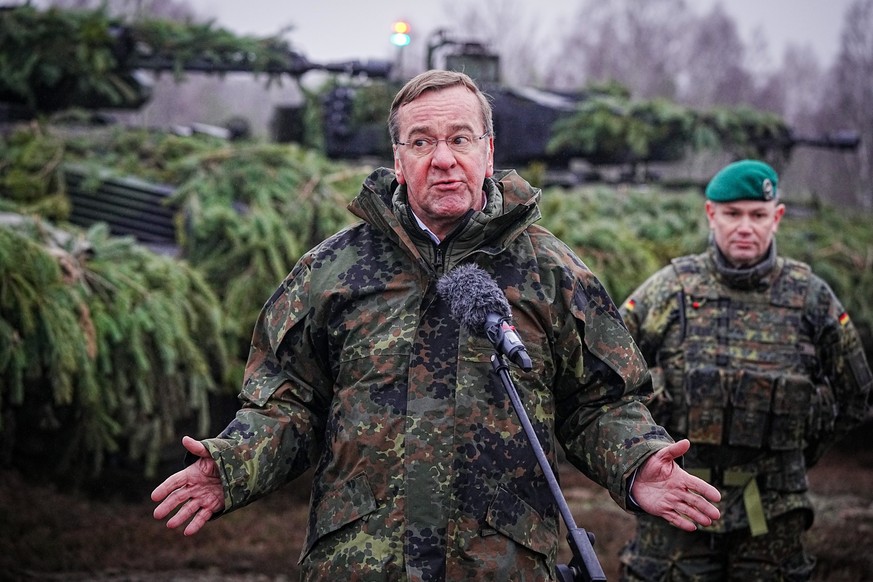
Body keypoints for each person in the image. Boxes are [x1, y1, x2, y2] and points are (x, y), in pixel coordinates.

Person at [152, 70, 721, 581]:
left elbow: (602, 402)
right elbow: (287, 403)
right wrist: (233, 463)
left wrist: (637, 459)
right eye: (421, 142)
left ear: (488, 152)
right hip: (360, 562)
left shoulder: (552, 273)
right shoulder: (330, 273)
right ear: (398, 161)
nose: (442, 159)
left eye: (459, 139)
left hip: (503, 563)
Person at [617, 159, 872, 581]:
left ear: (778, 217)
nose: (745, 227)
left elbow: (854, 394)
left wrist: (799, 450)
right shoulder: (669, 289)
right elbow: (611, 376)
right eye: (733, 214)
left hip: (769, 505)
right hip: (683, 496)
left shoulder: (810, 298)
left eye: (757, 215)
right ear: (711, 214)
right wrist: (644, 452)